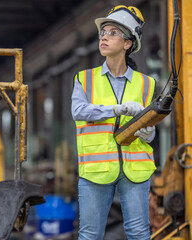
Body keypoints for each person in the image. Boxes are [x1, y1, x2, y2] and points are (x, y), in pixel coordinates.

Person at [71, 5, 156, 240]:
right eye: (103, 32)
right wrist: (117, 109)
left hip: (135, 169)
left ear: (128, 43)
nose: (104, 37)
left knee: (139, 234)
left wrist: (149, 133)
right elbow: (78, 111)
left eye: (112, 32)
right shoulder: (84, 79)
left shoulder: (146, 83)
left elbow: (150, 126)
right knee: (90, 235)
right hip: (96, 169)